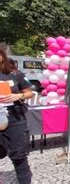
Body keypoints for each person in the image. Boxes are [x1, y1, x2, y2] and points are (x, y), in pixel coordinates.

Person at [0, 50, 34, 184]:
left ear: (3, 56)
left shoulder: (14, 74)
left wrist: (18, 96)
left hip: (14, 117)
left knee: (18, 154)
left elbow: (29, 93)